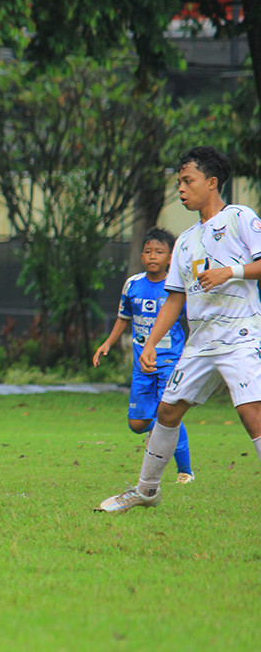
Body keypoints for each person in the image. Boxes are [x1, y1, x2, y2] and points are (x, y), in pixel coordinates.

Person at [99, 146, 261, 512]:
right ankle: (146, 490)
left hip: (240, 336)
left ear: (212, 182)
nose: (181, 189)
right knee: (168, 412)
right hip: (200, 343)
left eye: (188, 181)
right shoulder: (186, 240)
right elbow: (174, 299)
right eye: (179, 183)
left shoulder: (239, 218)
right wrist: (150, 344)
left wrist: (230, 272)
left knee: (252, 414)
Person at [93, 227, 194, 483]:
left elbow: (192, 319)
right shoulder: (133, 284)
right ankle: (162, 430)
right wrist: (107, 343)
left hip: (169, 361)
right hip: (141, 364)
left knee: (168, 414)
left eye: (159, 252)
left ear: (170, 257)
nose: (152, 256)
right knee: (136, 424)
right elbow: (123, 317)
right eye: (148, 251)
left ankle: (185, 471)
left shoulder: (177, 286)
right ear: (141, 256)